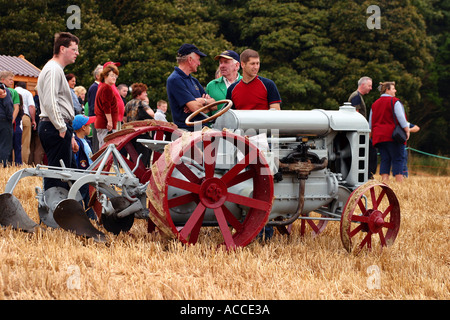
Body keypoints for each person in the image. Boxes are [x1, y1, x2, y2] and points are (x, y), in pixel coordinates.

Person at [37, 31, 80, 191]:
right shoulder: (53, 69)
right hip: (54, 127)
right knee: (58, 177)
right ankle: (51, 214)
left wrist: (70, 135)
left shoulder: (54, 69)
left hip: (57, 126)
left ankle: (61, 212)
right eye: (74, 49)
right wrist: (61, 127)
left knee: (66, 174)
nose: (77, 53)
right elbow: (50, 101)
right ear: (62, 49)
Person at [166, 43, 216, 131]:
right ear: (190, 59)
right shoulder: (175, 79)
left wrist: (201, 101)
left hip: (202, 129)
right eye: (198, 60)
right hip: (187, 132)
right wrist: (204, 104)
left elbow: (214, 105)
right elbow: (195, 108)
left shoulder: (193, 80)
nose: (199, 63)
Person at [369, 81, 409, 183]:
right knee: (398, 159)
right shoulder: (395, 102)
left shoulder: (374, 104)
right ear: (387, 90)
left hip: (379, 137)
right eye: (393, 88)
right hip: (393, 136)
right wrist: (406, 130)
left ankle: (384, 183)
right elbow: (401, 118)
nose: (395, 90)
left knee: (385, 159)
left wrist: (370, 135)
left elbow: (370, 122)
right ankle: (399, 183)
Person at [348, 76, 377, 179]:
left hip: (360, 130)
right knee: (371, 151)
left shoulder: (357, 96)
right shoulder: (356, 97)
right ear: (363, 85)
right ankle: (369, 174)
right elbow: (355, 114)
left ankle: (367, 174)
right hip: (359, 131)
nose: (371, 88)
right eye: (369, 85)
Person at [72, 114, 97, 220]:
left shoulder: (86, 142)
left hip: (89, 176)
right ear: (83, 128)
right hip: (81, 176)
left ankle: (91, 219)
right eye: (89, 125)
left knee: (90, 199)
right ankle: (80, 218)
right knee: (81, 197)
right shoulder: (76, 143)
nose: (90, 127)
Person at [124, 83, 155, 166]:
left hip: (131, 134)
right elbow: (152, 114)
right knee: (143, 158)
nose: (146, 94)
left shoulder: (128, 104)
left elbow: (124, 118)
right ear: (139, 94)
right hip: (142, 134)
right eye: (144, 92)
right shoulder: (142, 103)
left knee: (133, 157)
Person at [206, 50, 242, 115]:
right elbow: (204, 115)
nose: (221, 66)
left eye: (226, 62)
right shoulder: (211, 86)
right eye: (220, 63)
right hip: (216, 125)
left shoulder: (248, 84)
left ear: (236, 66)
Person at [94, 63, 120, 147]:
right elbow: (106, 106)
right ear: (105, 76)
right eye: (112, 75)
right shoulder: (106, 88)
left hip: (103, 123)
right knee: (105, 148)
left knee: (104, 147)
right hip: (105, 124)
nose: (114, 78)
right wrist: (110, 121)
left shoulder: (103, 86)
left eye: (115, 76)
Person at [14, 81, 36, 164]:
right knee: (25, 143)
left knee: (14, 141)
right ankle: (23, 163)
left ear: (16, 85)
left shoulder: (12, 91)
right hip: (25, 116)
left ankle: (13, 163)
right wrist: (33, 120)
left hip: (14, 117)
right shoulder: (28, 93)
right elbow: (31, 106)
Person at [87, 64, 103, 153]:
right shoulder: (94, 88)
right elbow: (93, 106)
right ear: (97, 76)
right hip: (96, 118)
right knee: (97, 142)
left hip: (98, 118)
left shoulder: (99, 87)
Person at [0, 71, 20, 140]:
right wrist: (11, 120)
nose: (12, 81)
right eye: (10, 79)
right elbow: (15, 107)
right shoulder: (10, 91)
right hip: (5, 120)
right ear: (2, 80)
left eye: (12, 80)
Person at [29, 88, 45, 165]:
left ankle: (29, 164)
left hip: (31, 125)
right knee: (39, 148)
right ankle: (37, 165)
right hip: (40, 125)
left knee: (31, 147)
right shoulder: (42, 101)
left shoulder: (32, 99)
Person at [0, 82, 14, 166]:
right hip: (3, 119)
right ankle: (2, 164)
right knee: (5, 144)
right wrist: (10, 118)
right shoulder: (5, 90)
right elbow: (8, 104)